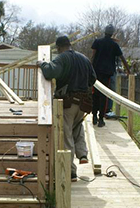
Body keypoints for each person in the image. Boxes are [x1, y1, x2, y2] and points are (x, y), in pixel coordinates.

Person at [38, 36, 96, 181]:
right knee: (77, 127)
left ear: (58, 48)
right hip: (83, 104)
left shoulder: (62, 58)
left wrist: (42, 64)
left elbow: (50, 72)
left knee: (66, 135)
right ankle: (82, 154)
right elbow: (93, 79)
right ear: (69, 45)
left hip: (68, 103)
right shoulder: (84, 59)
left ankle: (70, 172)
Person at [91, 24, 131, 127]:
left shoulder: (97, 42)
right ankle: (101, 119)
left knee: (95, 94)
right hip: (107, 73)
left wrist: (90, 69)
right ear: (112, 33)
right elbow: (122, 58)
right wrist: (128, 70)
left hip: (96, 72)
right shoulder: (114, 45)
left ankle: (94, 116)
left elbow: (93, 55)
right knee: (104, 94)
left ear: (104, 32)